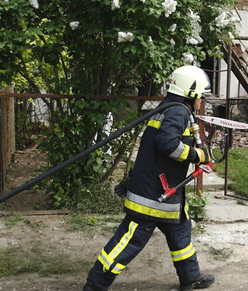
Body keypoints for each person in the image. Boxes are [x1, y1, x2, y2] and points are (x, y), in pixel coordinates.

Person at [83, 65, 215, 291]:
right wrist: (196, 155)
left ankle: (190, 277)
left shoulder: (169, 108)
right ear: (190, 92)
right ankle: (94, 286)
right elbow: (167, 144)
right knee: (127, 243)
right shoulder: (178, 112)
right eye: (201, 96)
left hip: (167, 193)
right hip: (152, 196)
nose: (202, 101)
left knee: (181, 233)